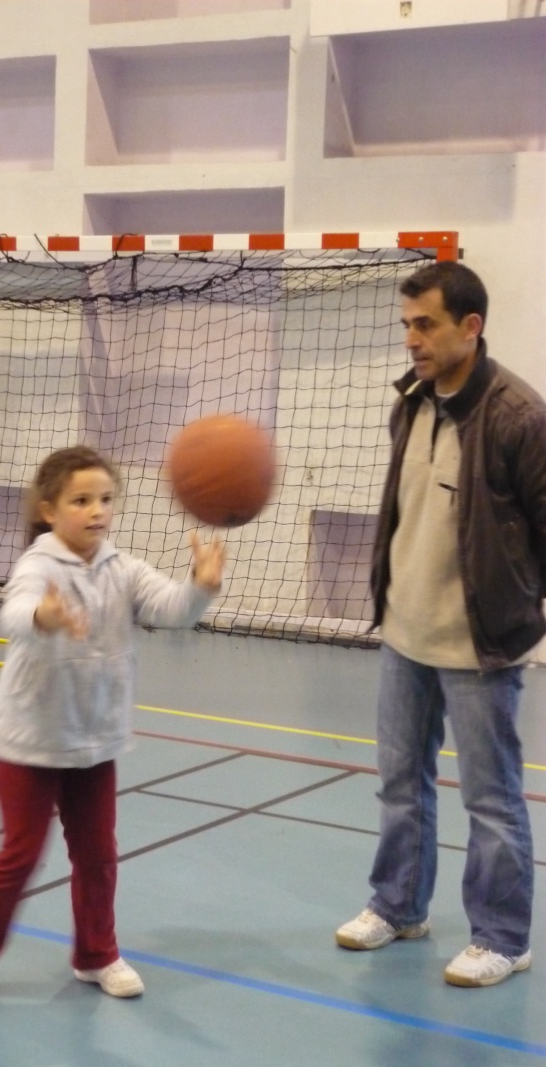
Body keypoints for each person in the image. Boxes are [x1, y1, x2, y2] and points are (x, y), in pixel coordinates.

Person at [0, 445, 225, 1012]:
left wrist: (200, 586)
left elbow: (171, 609)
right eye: (82, 500)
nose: (97, 511)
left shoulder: (122, 568)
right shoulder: (37, 567)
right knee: (21, 853)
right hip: (29, 742)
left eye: (105, 499)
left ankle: (96, 954)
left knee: (98, 856)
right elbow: (14, 614)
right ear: (48, 510)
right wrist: (42, 617)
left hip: (95, 743)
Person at [335, 260, 544, 987]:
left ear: (471, 326)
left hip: (479, 646)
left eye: (425, 324)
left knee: (490, 798)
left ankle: (503, 935)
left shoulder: (520, 415)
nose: (412, 339)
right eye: (407, 325)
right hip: (404, 632)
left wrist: (515, 611)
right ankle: (398, 905)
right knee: (400, 781)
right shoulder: (412, 404)